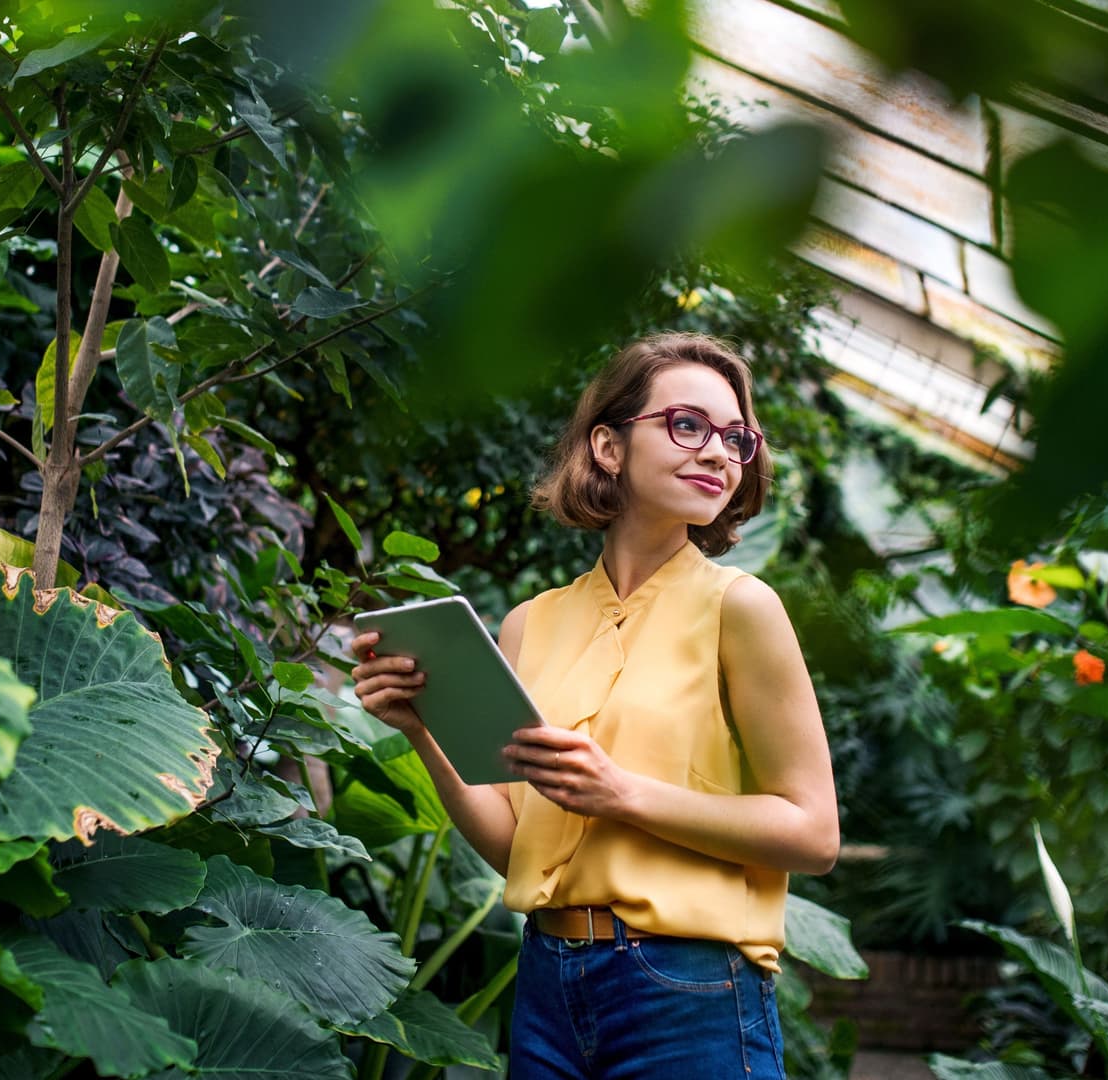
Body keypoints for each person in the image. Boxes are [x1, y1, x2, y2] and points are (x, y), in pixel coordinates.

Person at [352, 332, 839, 1078]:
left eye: (736, 438)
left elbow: (813, 834)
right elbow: (519, 849)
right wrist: (423, 730)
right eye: (687, 425)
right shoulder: (530, 622)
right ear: (608, 447)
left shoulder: (742, 608)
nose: (718, 453)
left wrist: (623, 794)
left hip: (691, 991)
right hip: (547, 983)